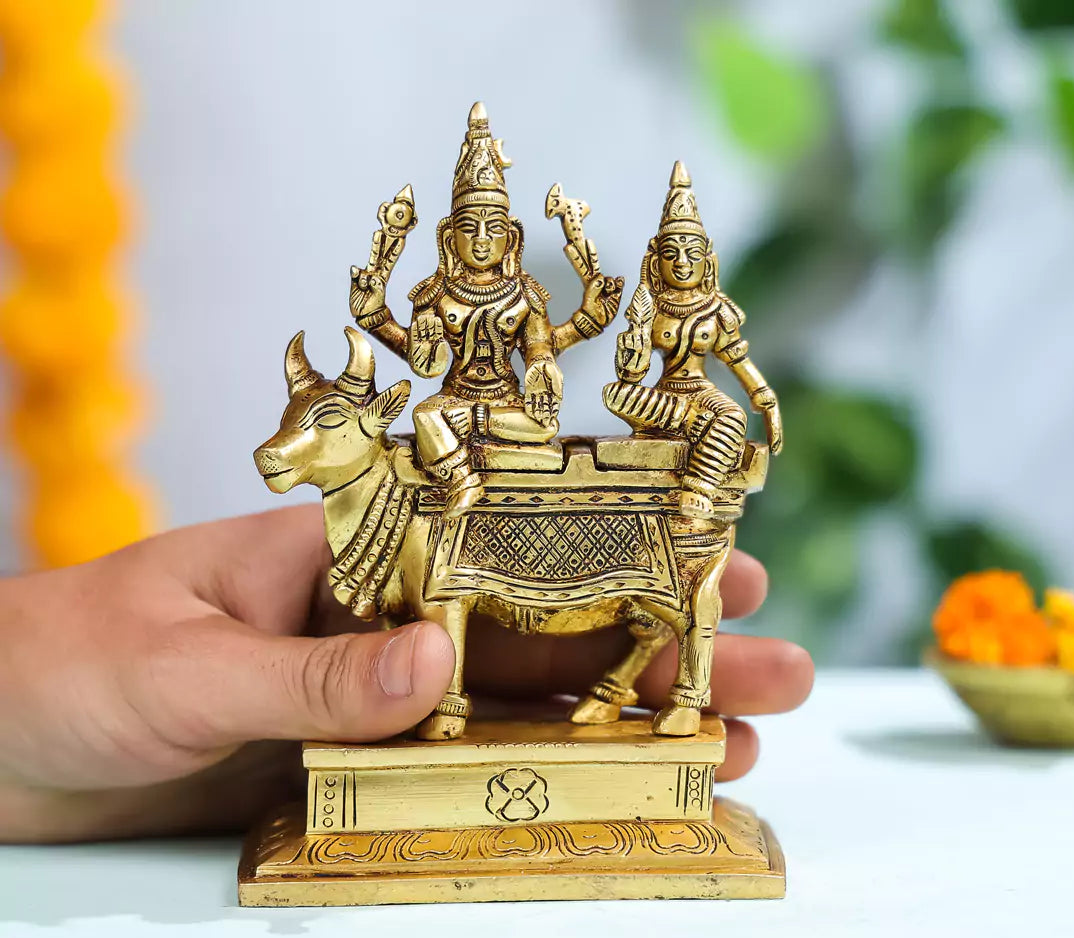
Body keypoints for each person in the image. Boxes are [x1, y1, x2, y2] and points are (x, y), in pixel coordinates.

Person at [0, 504, 813, 843]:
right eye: (474, 234)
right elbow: (412, 346)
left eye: (500, 235)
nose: (486, 246)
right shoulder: (449, 299)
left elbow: (555, 351)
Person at [349, 102, 622, 517]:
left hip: (505, 405)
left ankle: (471, 450)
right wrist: (376, 318)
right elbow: (419, 357)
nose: (480, 239)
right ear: (448, 236)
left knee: (545, 428)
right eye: (468, 227)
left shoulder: (524, 293)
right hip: (454, 401)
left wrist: (586, 324)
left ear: (511, 237)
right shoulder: (435, 295)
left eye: (493, 228)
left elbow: (542, 349)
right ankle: (462, 479)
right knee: (425, 417)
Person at [605, 161, 783, 520]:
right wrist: (637, 330)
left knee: (732, 415)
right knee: (614, 393)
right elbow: (630, 378)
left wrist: (766, 400)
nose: (683, 262)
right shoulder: (652, 306)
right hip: (663, 398)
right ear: (656, 262)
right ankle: (696, 425)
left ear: (708, 260)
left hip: (701, 393)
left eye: (692, 253)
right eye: (671, 254)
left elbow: (737, 361)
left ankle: (699, 487)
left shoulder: (717, 309)